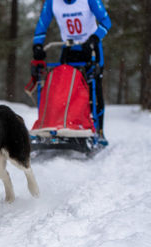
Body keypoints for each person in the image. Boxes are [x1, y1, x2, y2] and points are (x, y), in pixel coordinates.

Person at [32, 0, 112, 141]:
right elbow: (42, 24)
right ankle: (63, 126)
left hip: (91, 49)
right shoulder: (52, 2)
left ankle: (99, 131)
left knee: (94, 89)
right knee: (63, 90)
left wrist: (95, 38)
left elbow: (106, 21)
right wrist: (37, 45)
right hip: (68, 49)